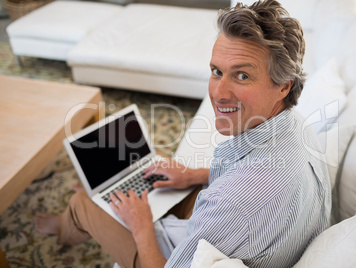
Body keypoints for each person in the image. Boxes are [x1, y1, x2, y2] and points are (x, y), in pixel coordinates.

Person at [34, 1, 331, 267]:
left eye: (242, 75)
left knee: (82, 204)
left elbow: (239, 200)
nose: (218, 92)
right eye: (217, 71)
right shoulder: (296, 127)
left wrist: (142, 227)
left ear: (284, 85)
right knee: (155, 172)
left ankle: (68, 223)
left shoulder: (237, 202)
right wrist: (193, 176)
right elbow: (248, 175)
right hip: (245, 233)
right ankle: (105, 190)